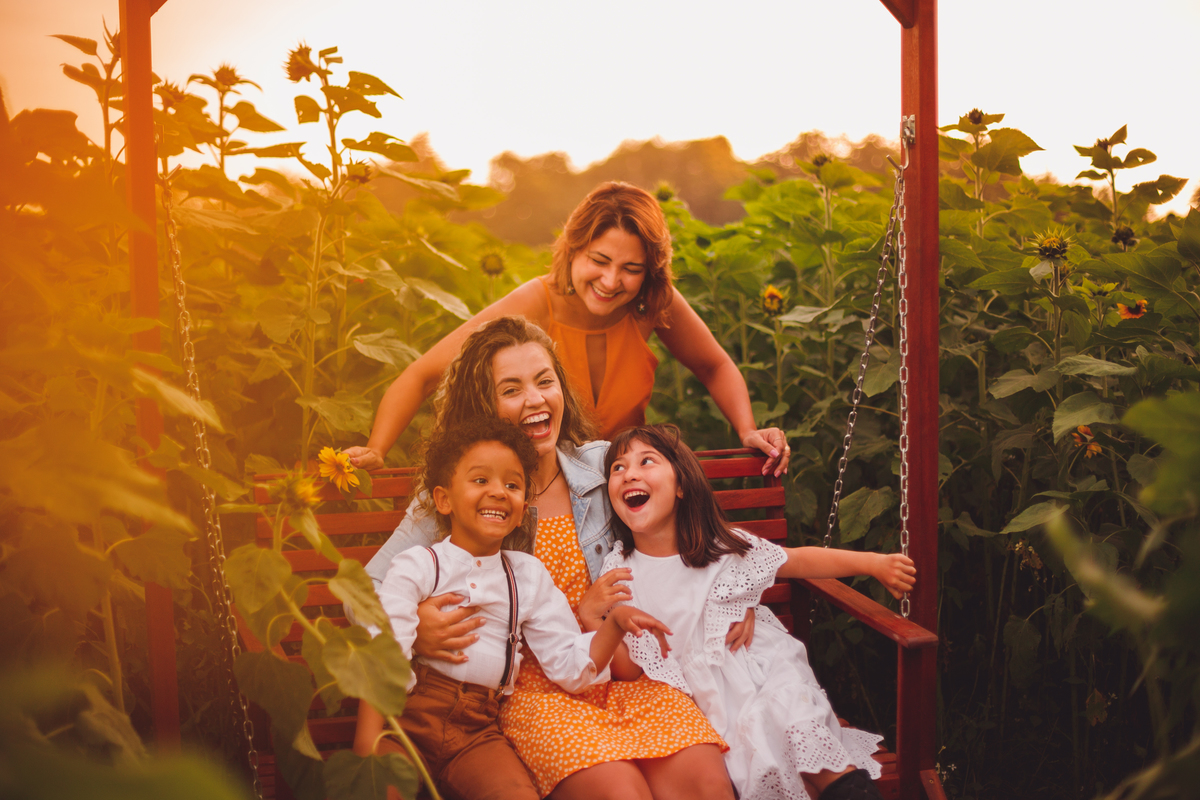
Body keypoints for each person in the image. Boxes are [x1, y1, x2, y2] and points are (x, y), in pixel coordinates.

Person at [355, 317, 737, 800]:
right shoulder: (458, 495)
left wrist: (735, 594)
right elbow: (362, 594)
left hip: (621, 669)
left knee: (706, 784)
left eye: (545, 381)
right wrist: (419, 623)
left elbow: (691, 524)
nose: (535, 399)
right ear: (483, 406)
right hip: (533, 691)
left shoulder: (605, 465)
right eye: (511, 389)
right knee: (621, 793)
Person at [344, 181, 790, 478]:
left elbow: (714, 366)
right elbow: (423, 375)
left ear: (649, 272)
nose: (611, 281)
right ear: (573, 249)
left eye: (631, 268)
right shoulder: (535, 302)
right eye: (599, 260)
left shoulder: (651, 303)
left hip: (621, 490)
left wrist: (747, 429)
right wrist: (377, 449)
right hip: (540, 492)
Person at [599, 424, 918, 800]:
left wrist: (873, 564)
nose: (629, 474)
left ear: (681, 485)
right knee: (754, 755)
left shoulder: (719, 547)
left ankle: (849, 789)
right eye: (618, 468)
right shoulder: (619, 572)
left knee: (795, 724)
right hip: (701, 703)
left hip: (761, 672)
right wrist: (598, 622)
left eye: (646, 461)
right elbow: (629, 668)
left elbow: (796, 561)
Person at [369, 416, 673, 800]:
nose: (499, 492)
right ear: (443, 499)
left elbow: (568, 663)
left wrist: (613, 627)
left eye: (512, 485)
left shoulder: (526, 576)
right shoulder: (419, 565)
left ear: (523, 508)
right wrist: (369, 740)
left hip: (477, 730)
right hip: (407, 718)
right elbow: (384, 645)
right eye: (481, 480)